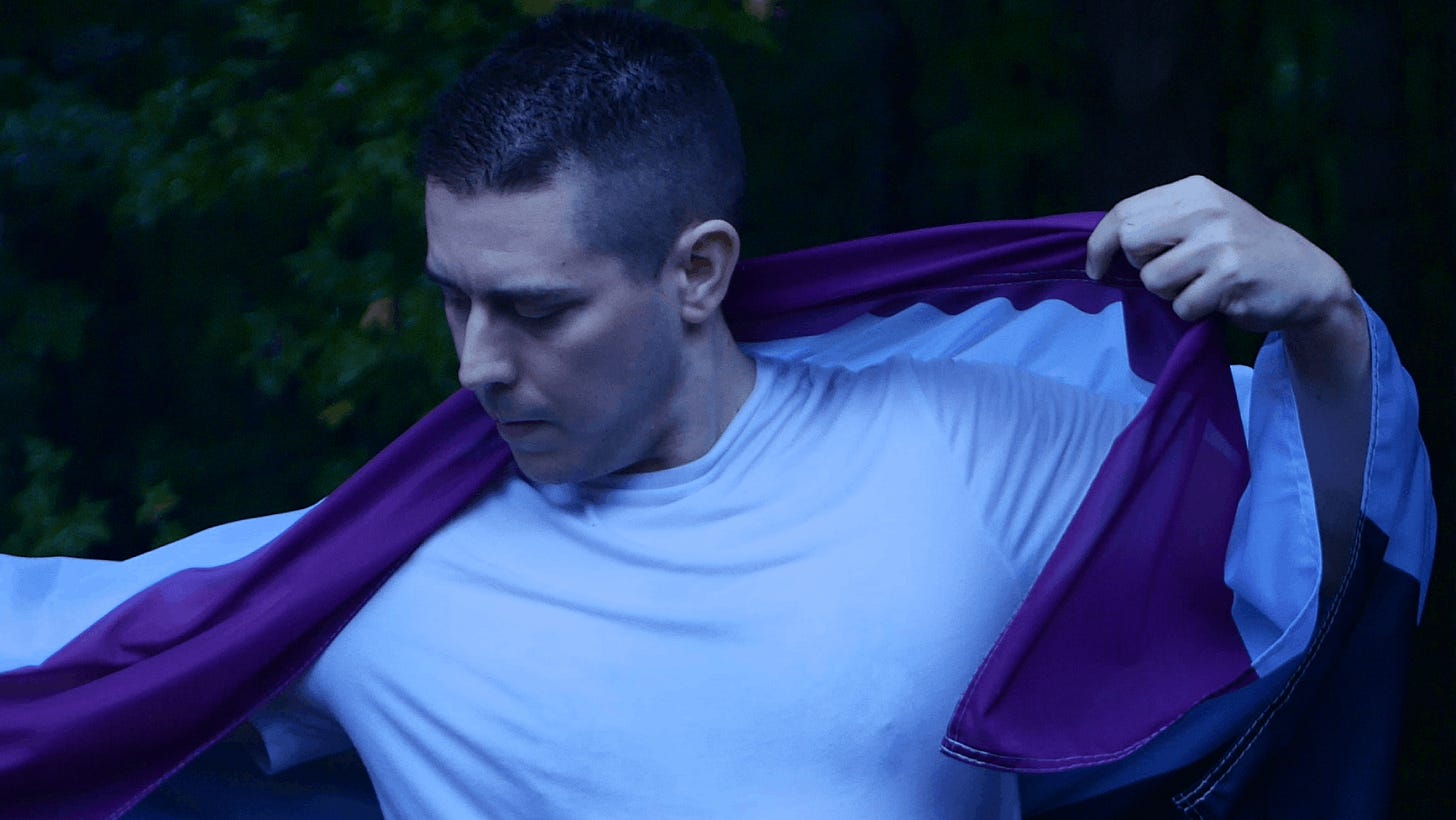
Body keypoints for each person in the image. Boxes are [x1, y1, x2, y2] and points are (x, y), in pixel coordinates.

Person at [0, 7, 1432, 819]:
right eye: (454, 297)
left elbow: (1296, 580)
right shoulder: (378, 572)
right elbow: (70, 659)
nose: (474, 365)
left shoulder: (963, 451)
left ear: (697, 272)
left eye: (539, 309)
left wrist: (1322, 322)